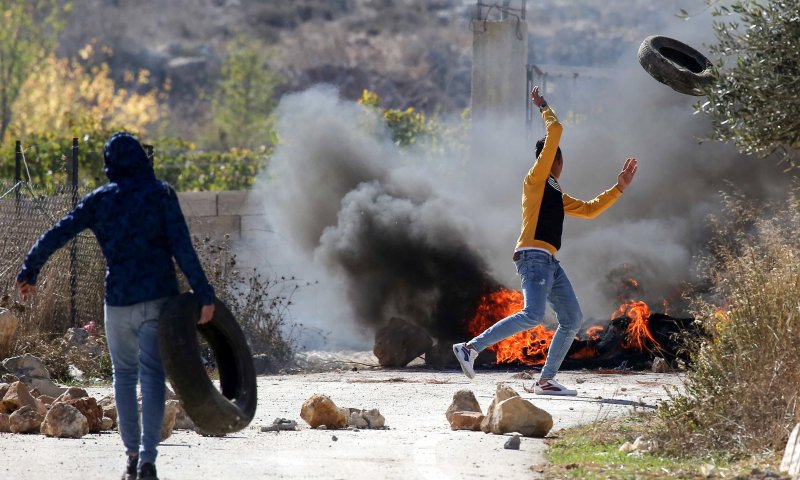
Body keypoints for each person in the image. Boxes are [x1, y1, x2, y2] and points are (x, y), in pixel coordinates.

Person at [16, 132, 216, 480]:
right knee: (153, 376)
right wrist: (204, 294)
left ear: (109, 164)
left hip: (118, 302)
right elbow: (183, 248)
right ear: (142, 159)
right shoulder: (161, 195)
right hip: (158, 300)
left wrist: (29, 270)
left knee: (124, 377)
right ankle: (149, 462)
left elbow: (58, 232)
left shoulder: (101, 200)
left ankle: (131, 457)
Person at [453, 86, 638, 396]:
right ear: (555, 160)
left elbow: (590, 210)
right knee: (533, 314)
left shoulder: (556, 194)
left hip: (549, 263)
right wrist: (543, 106)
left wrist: (617, 189)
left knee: (572, 319)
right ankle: (470, 348)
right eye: (555, 157)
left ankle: (546, 380)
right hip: (533, 257)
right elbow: (556, 129)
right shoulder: (535, 181)